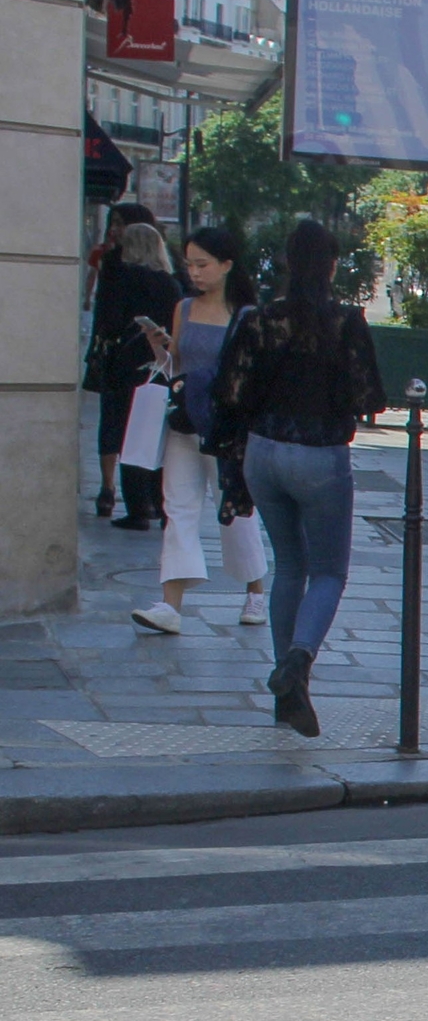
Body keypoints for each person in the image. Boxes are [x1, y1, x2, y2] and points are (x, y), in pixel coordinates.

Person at [213, 218, 386, 738]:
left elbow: (231, 392)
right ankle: (298, 662)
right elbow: (369, 396)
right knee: (329, 571)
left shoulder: (258, 319)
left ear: (287, 263)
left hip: (263, 452)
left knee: (289, 567)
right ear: (332, 266)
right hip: (319, 455)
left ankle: (287, 691)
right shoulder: (345, 322)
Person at [129, 226, 270, 634]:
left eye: (203, 264)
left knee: (235, 511)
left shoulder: (245, 315)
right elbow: (175, 363)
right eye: (189, 264)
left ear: (226, 266)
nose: (194, 272)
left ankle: (255, 591)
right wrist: (158, 344)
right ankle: (170, 604)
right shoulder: (184, 308)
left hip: (225, 428)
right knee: (178, 508)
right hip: (185, 422)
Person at [94, 215, 182, 530]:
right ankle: (160, 504)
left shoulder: (122, 277)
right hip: (161, 364)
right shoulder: (170, 283)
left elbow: (109, 320)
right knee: (157, 434)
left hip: (125, 364)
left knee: (126, 432)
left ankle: (137, 508)